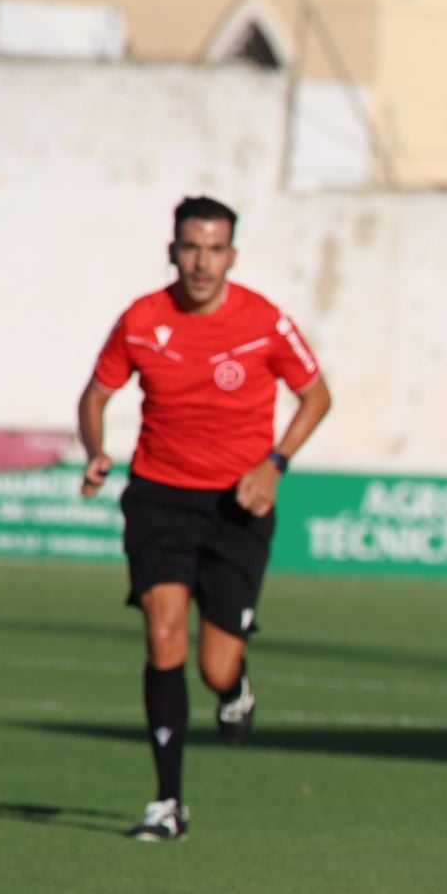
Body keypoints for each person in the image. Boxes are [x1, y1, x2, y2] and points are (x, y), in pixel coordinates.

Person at [77, 196, 332, 841]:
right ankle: (167, 803)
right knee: (165, 635)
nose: (201, 261)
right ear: (172, 250)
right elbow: (97, 394)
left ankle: (234, 688)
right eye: (191, 246)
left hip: (237, 507)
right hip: (160, 498)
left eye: (215, 249)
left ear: (231, 256)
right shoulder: (142, 319)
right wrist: (95, 448)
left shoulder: (264, 322)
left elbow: (317, 394)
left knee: (215, 665)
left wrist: (275, 463)